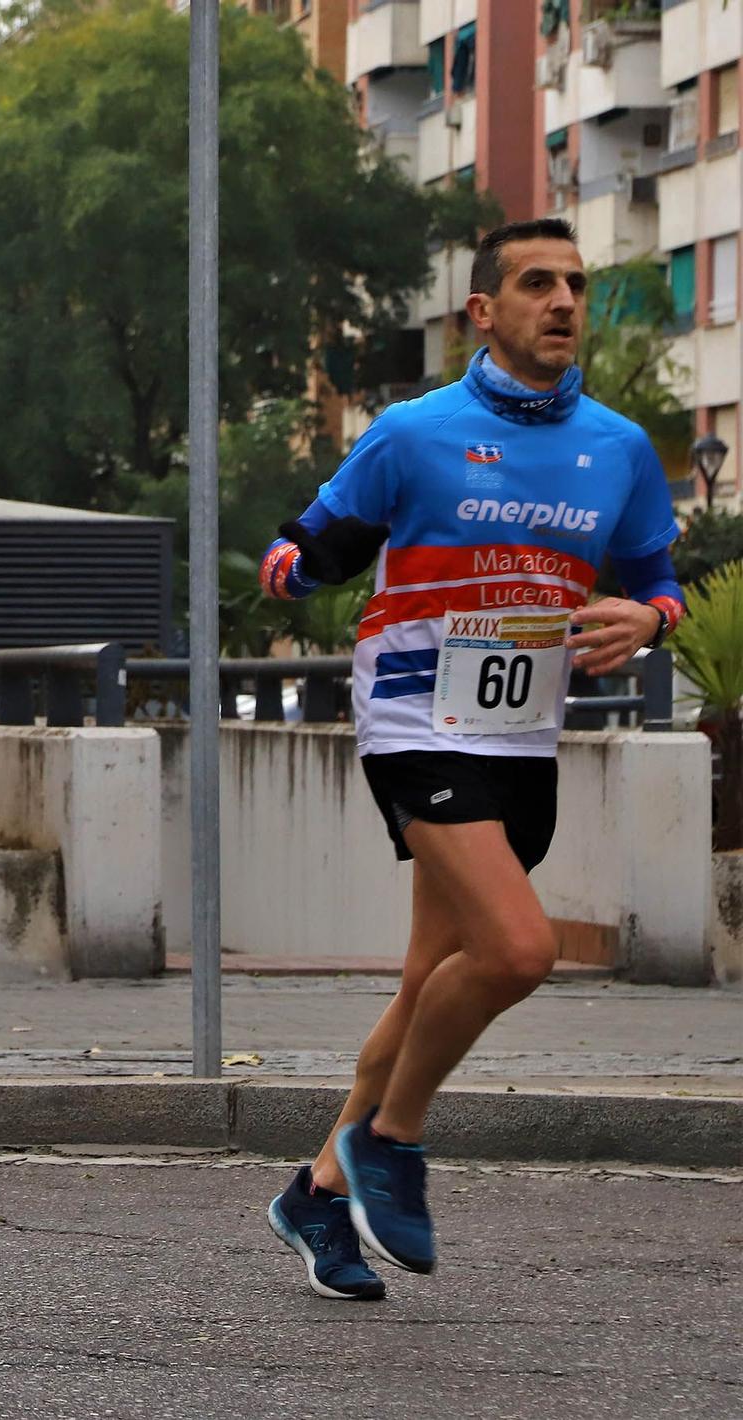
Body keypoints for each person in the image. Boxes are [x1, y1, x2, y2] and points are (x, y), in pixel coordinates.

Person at [258, 219, 683, 1297]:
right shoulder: (410, 433)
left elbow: (654, 577)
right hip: (411, 721)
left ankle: (314, 1196)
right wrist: (289, 565)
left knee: (421, 988)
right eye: (536, 283)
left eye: (575, 284)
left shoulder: (618, 448)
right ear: (481, 314)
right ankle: (388, 1143)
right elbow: (311, 542)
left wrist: (649, 620)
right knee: (515, 949)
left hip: (521, 737)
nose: (562, 301)